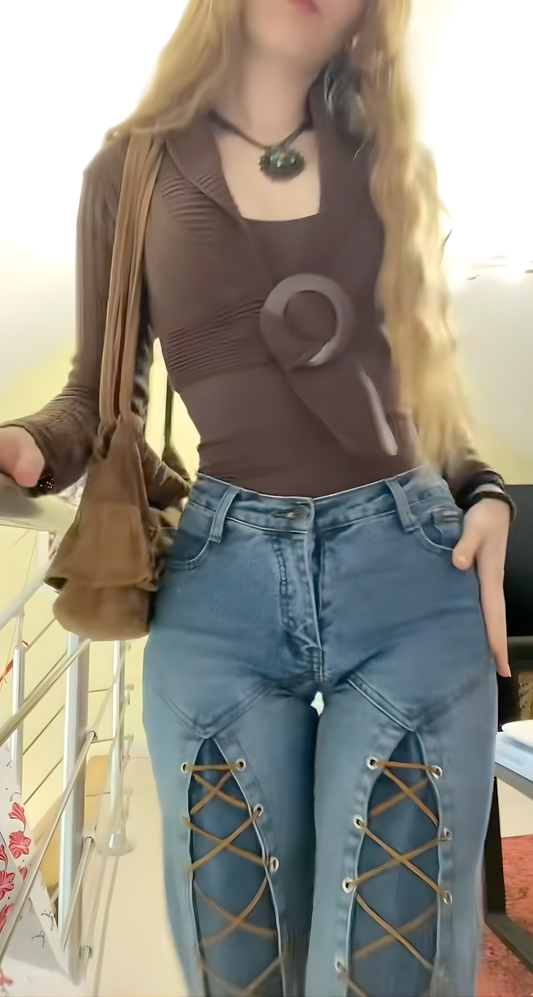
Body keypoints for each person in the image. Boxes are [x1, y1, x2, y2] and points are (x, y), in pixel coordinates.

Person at [0, 1, 515, 995]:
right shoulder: (129, 171)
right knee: (237, 969)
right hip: (219, 590)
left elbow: (422, 396)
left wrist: (485, 491)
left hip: (409, 579)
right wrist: (25, 447)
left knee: (386, 973)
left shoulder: (387, 159)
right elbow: (97, 399)